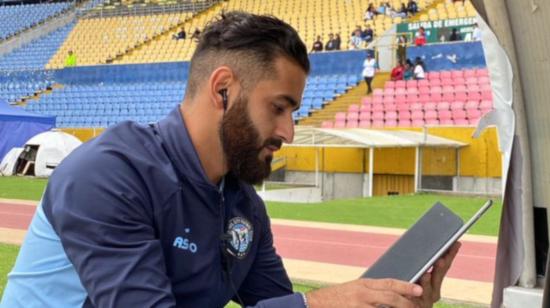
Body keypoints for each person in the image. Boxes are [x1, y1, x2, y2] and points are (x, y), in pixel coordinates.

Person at [1, 12, 459, 308]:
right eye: (278, 108)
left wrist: (386, 300)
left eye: (293, 113)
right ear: (223, 89)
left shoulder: (242, 206)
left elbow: (279, 303)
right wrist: (317, 304)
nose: (288, 132)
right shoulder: (108, 174)